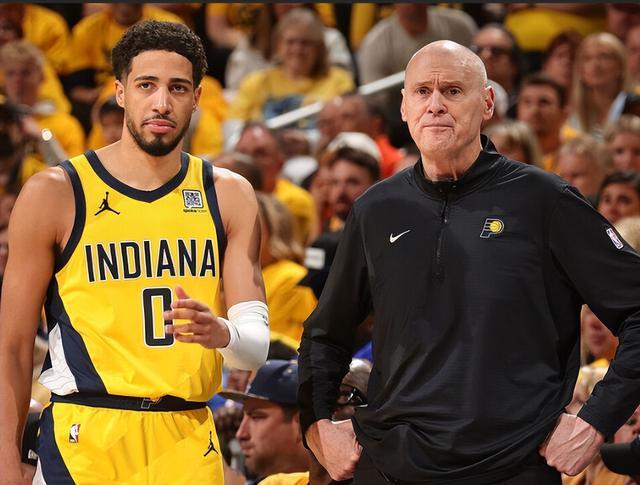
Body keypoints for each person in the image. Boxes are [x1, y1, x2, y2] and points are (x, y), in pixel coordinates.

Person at [298, 40, 640, 484]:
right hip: (390, 466)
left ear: (488, 103)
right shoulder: (375, 209)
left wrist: (595, 421)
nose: (435, 105)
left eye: (453, 91)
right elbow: (324, 334)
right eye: (422, 92)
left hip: (512, 466)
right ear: (404, 107)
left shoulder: (545, 201)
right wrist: (316, 425)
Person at [0, 20, 270, 484]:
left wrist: (221, 332)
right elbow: (13, 343)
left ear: (197, 97)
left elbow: (254, 348)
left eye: (177, 88)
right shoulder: (55, 192)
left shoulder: (228, 194)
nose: (161, 102)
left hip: (187, 434)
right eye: (147, 85)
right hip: (85, 438)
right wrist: (6, 462)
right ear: (120, 92)